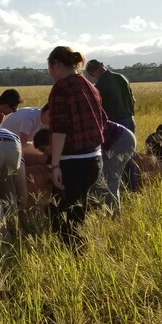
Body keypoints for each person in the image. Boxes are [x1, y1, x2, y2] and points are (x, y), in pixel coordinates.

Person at [46, 46, 106, 247]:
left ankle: (75, 257)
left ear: (56, 64)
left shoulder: (61, 88)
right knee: (74, 210)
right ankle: (73, 254)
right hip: (95, 160)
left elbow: (59, 129)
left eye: (50, 68)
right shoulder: (90, 86)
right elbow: (103, 120)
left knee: (66, 217)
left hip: (73, 162)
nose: (50, 74)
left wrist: (55, 165)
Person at [85, 60, 136, 132]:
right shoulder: (122, 78)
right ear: (102, 64)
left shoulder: (98, 86)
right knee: (130, 142)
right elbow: (133, 101)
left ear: (91, 75)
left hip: (114, 123)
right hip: (129, 119)